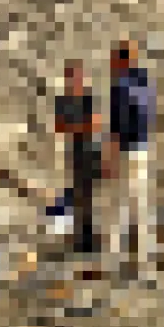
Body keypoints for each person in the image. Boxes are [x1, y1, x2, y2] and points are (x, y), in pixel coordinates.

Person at [103, 40, 156, 275]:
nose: (111, 63)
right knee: (140, 204)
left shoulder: (119, 86)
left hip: (125, 150)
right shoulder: (144, 83)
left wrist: (110, 159)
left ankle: (114, 258)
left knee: (118, 203)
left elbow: (117, 125)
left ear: (122, 60)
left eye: (114, 58)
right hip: (142, 149)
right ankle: (142, 259)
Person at [54, 60, 103, 256]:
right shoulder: (63, 100)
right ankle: (80, 240)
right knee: (77, 198)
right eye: (71, 76)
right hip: (73, 154)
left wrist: (77, 127)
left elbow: (95, 124)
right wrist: (80, 127)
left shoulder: (88, 99)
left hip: (90, 152)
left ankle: (90, 241)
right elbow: (59, 126)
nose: (74, 80)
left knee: (89, 198)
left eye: (76, 76)